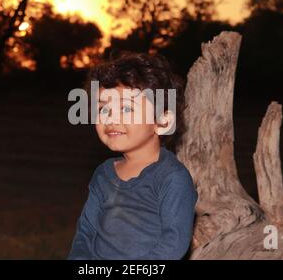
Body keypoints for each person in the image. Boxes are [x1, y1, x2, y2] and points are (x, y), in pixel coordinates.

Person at [67, 51, 197, 260]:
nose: (111, 118)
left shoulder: (172, 178)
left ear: (163, 121)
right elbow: (86, 231)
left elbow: (173, 244)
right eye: (103, 108)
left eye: (127, 108)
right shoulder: (103, 174)